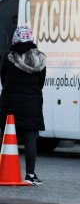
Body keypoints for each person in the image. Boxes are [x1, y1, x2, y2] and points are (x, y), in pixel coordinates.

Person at [0, 26, 46, 185]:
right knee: (30, 139)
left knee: (6, 138)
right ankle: (30, 174)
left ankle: (2, 171)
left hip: (10, 104)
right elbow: (41, 83)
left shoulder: (8, 57)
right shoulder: (40, 58)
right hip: (32, 104)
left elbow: (3, 79)